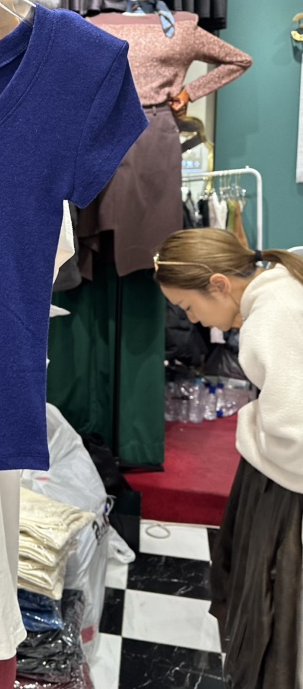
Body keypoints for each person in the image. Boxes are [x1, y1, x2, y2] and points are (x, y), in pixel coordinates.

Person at [153, 228, 303, 688]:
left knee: (274, 618)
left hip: (287, 493)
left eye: (188, 307)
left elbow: (294, 437)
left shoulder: (271, 317)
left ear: (219, 284)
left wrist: (249, 422)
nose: (194, 321)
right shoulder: (285, 282)